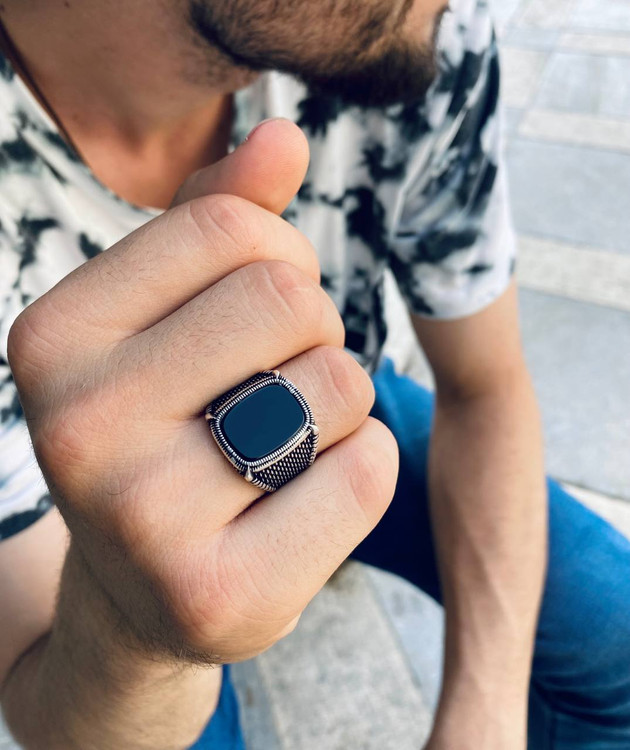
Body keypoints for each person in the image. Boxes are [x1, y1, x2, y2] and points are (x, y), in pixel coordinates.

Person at [0, 0, 628, 748]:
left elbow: (483, 385)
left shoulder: (415, 30)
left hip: (346, 400)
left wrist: (484, 713)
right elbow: (36, 688)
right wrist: (128, 629)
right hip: (75, 535)